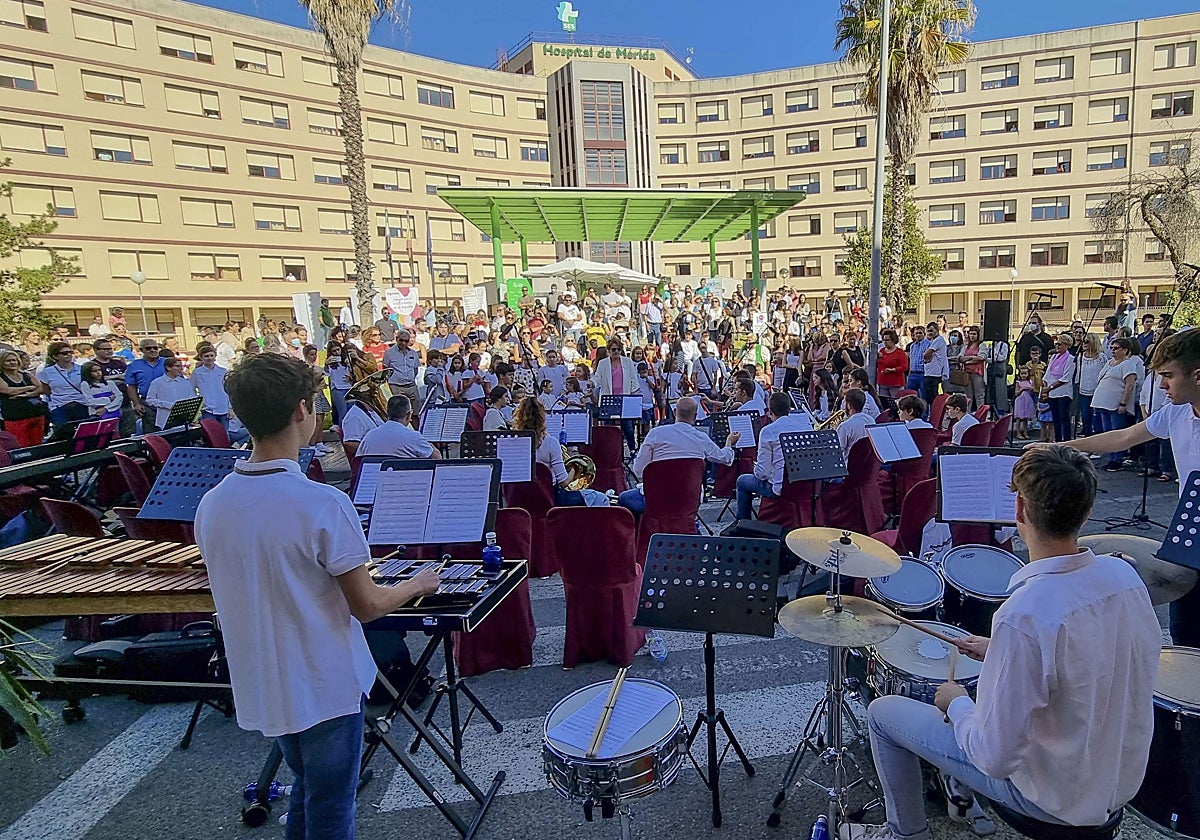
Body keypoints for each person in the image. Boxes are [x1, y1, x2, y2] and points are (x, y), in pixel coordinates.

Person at [845, 445, 1160, 840]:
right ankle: (954, 792)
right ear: (1086, 509)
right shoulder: (1123, 577)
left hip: (1052, 798)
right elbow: (1088, 659)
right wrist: (998, 650)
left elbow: (993, 756)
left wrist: (955, 703)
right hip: (1116, 780)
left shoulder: (1024, 614)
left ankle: (904, 834)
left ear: (1020, 511)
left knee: (884, 713)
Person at [194, 354, 439, 840]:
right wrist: (417, 584)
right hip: (323, 682)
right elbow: (366, 605)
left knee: (308, 793)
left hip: (265, 678)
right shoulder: (322, 503)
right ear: (303, 410)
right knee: (332, 812)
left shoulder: (214, 501)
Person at [1064, 328, 1200, 645]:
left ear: (1197, 375)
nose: (1161, 385)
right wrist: (1062, 447)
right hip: (1190, 537)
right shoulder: (1176, 412)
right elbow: (1124, 438)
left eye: (1168, 375)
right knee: (1185, 632)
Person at [617, 397, 738, 514]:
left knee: (623, 498)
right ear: (695, 416)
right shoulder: (701, 437)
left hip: (656, 497)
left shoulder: (655, 434)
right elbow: (725, 458)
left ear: (675, 412)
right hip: (689, 497)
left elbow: (638, 470)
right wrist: (729, 442)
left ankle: (641, 531)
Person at [511, 397, 608, 507]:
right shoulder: (551, 442)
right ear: (542, 417)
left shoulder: (512, 442)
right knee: (599, 498)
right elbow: (564, 483)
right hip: (549, 498)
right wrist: (572, 470)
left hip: (520, 499)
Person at [735, 392, 812, 520]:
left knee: (742, 481)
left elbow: (762, 473)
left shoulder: (768, 431)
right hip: (802, 484)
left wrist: (756, 468)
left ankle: (743, 522)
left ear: (770, 410)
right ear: (789, 409)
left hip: (779, 488)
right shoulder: (804, 428)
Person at [1089, 338, 1141, 471]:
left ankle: (1117, 459)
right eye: (1111, 348)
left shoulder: (1128, 364)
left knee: (1116, 432)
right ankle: (1112, 457)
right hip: (1103, 403)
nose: (1113, 350)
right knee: (1107, 432)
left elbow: (1130, 385)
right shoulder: (1110, 362)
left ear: (1125, 350)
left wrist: (1123, 403)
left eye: (1116, 348)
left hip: (1115, 404)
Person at [356, 395, 437, 459]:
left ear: (387, 413)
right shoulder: (414, 437)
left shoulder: (369, 436)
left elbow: (359, 460)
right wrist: (429, 443)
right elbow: (436, 458)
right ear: (408, 415)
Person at [0, 349, 47, 446]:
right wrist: (29, 387)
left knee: (38, 444)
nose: (12, 363)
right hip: (15, 417)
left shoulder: (27, 374)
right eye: (8, 361)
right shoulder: (1, 377)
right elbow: (8, 391)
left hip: (36, 413)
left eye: (14, 360)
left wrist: (28, 395)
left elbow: (41, 388)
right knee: (20, 445)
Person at [38, 341, 90, 428]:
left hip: (82, 404)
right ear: (55, 356)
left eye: (71, 352)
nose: (69, 355)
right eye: (64, 353)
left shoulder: (82, 369)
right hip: (60, 407)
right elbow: (46, 389)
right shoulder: (47, 372)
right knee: (64, 434)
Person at [125, 339, 167, 433]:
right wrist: (136, 403)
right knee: (151, 432)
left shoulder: (167, 363)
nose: (152, 350)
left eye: (155, 348)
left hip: (168, 401)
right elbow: (131, 386)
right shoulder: (134, 365)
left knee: (174, 431)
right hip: (147, 403)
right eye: (148, 348)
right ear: (141, 350)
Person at [144, 356, 197, 429]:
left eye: (181, 366)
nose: (181, 368)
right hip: (165, 420)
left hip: (184, 420)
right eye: (177, 366)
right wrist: (168, 405)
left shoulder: (185, 382)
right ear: (168, 368)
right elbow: (150, 400)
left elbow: (192, 398)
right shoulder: (156, 383)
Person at [382, 331, 421, 426]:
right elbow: (386, 369)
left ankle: (416, 432)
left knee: (415, 412)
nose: (403, 343)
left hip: (411, 386)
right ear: (396, 339)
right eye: (401, 340)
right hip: (396, 386)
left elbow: (416, 369)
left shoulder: (413, 353)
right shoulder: (389, 353)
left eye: (406, 341)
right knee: (398, 413)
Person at [1044, 333, 1076, 442]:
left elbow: (1066, 377)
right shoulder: (1054, 357)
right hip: (1052, 393)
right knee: (1056, 419)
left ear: (1067, 345)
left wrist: (1050, 387)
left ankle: (1067, 440)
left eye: (1060, 344)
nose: (1057, 346)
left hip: (1063, 393)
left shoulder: (1071, 359)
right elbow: (1048, 373)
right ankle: (1058, 440)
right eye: (1056, 344)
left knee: (1064, 418)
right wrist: (1045, 386)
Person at [192, 344, 232, 430]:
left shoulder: (223, 371)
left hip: (223, 408)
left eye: (211, 355)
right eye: (206, 356)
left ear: (215, 356)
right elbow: (191, 389)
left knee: (225, 434)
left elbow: (229, 390)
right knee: (212, 435)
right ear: (201, 357)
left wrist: (230, 408)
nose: (209, 358)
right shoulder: (197, 373)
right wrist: (199, 404)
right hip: (208, 410)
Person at [837, 388, 871, 459]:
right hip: (867, 463)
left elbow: (837, 450)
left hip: (849, 465)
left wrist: (836, 431)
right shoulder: (870, 420)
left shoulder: (845, 426)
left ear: (849, 405)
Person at [922, 322, 949, 408]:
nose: (929, 333)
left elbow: (926, 355)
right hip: (930, 373)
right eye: (928, 331)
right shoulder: (933, 341)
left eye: (931, 331)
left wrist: (927, 357)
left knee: (931, 398)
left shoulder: (938, 340)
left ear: (937, 331)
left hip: (933, 374)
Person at [876, 330, 908, 402]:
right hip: (883, 382)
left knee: (895, 403)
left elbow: (904, 367)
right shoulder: (882, 351)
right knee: (883, 403)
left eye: (887, 340)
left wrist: (892, 369)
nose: (885, 342)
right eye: (884, 340)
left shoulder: (900, 352)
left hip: (896, 383)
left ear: (893, 340)